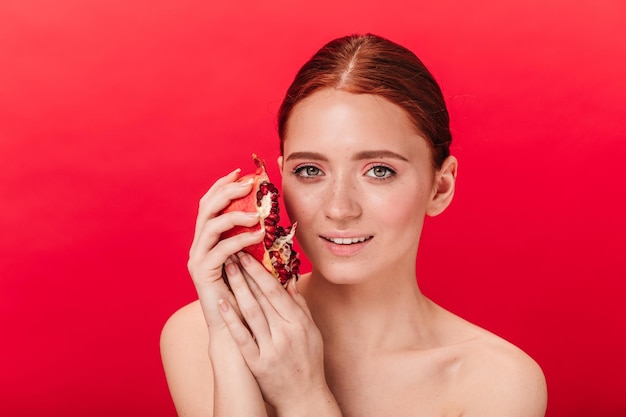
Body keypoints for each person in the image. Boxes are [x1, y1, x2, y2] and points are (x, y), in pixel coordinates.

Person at [160, 33, 548, 417]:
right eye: (310, 170)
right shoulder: (199, 335)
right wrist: (231, 343)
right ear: (280, 180)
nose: (340, 208)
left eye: (379, 171)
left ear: (440, 186)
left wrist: (303, 396)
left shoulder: (499, 382)